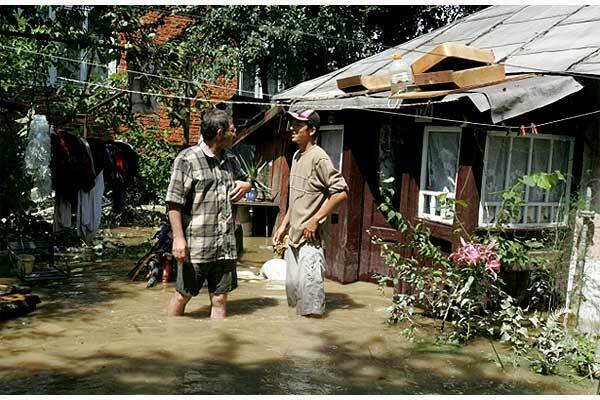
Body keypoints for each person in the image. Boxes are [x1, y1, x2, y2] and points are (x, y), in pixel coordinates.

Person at [165, 108, 251, 319]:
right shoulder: (187, 159)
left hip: (225, 245)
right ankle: (168, 337)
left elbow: (245, 179)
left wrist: (246, 185)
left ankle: (218, 347)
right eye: (233, 129)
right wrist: (178, 238)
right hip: (197, 245)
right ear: (220, 133)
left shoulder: (231, 159)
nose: (236, 133)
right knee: (182, 295)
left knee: (220, 298)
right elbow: (173, 202)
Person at [272, 109, 348, 318]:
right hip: (294, 241)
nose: (292, 129)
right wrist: (283, 225)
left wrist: (316, 219)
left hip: (310, 242)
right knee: (295, 304)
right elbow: (296, 199)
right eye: (292, 124)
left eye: (298, 125)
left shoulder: (319, 158)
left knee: (312, 309)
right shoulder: (297, 156)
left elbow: (341, 192)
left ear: (312, 130)